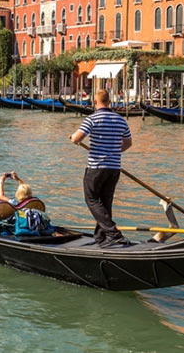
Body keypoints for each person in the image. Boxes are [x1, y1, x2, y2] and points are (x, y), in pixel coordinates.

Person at [70, 88, 133, 248]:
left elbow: (77, 138)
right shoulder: (121, 120)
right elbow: (128, 143)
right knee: (105, 202)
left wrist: (73, 138)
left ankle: (114, 234)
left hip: (96, 167)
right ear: (109, 102)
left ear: (95, 102)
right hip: (114, 168)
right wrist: (113, 152)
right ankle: (101, 237)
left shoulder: (92, 119)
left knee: (91, 199)